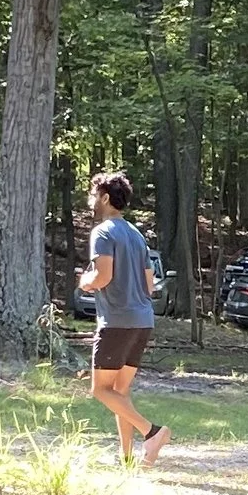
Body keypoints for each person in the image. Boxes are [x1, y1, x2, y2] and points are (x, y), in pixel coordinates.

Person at [77, 172, 171, 467]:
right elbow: (150, 284)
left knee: (100, 389)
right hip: (142, 321)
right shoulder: (136, 234)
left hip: (117, 322)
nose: (91, 201)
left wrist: (85, 282)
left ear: (105, 198)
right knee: (120, 391)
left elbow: (103, 276)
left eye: (93, 195)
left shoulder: (103, 232)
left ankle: (151, 432)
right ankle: (127, 457)